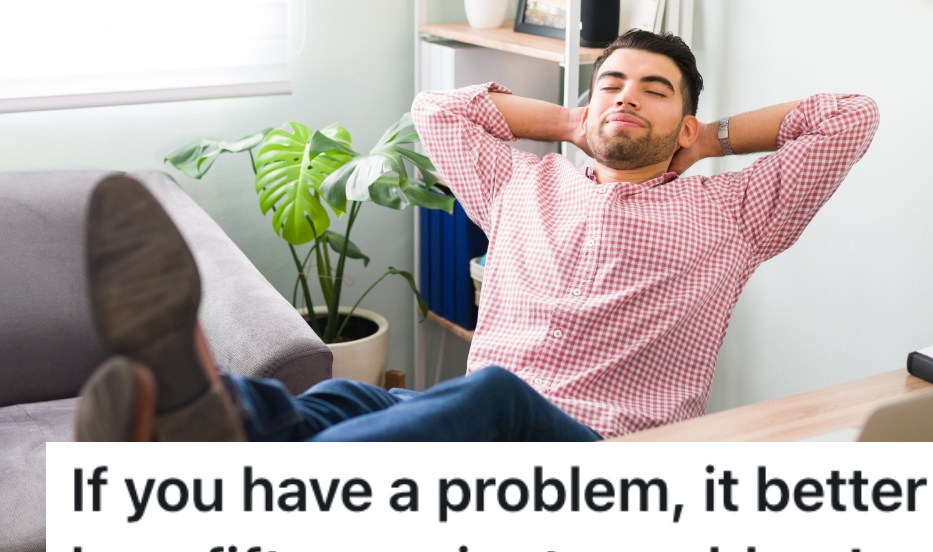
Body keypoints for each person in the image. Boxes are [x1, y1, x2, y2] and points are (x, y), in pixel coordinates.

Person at [75, 29, 878, 442]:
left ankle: (277, 499)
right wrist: (578, 122)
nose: (627, 97)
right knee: (346, 396)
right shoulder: (523, 185)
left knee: (494, 395)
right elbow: (440, 110)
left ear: (687, 120)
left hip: (600, 453)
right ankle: (193, 406)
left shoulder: (738, 213)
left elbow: (849, 117)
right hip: (480, 417)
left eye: (655, 91)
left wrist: (715, 140)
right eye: (612, 85)